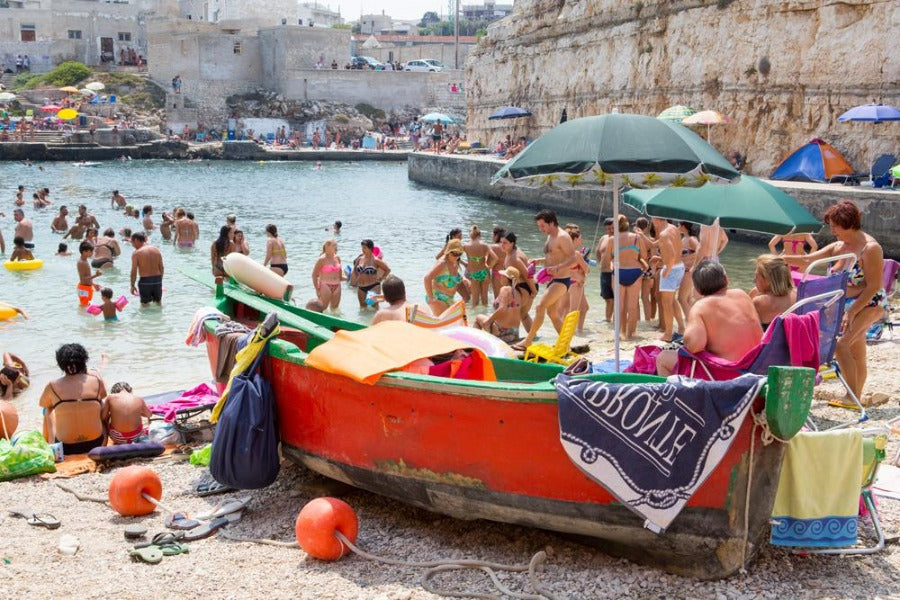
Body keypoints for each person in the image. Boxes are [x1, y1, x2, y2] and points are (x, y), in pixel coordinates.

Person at [783, 200, 886, 404]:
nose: (832, 231)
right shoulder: (838, 247)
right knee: (857, 353)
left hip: (869, 304)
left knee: (840, 345)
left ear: (847, 223)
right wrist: (778, 259)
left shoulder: (870, 248)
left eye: (834, 226)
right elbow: (807, 260)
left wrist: (853, 311)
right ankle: (854, 395)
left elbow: (873, 286)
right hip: (845, 304)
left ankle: (853, 398)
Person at [656, 261, 762, 377]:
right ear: (726, 279)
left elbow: (694, 346)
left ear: (697, 289)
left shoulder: (701, 306)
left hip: (730, 372)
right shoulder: (742, 295)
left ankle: (671, 394)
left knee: (663, 358)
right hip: (756, 366)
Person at [514, 210, 578, 351]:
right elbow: (554, 257)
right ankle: (566, 345)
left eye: (542, 226)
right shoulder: (550, 236)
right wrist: (539, 260)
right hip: (553, 280)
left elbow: (573, 258)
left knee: (540, 307)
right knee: (552, 314)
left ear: (551, 223)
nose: (541, 229)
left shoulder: (563, 237)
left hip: (562, 280)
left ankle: (528, 341)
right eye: (539, 226)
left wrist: (558, 267)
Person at [39, 343, 108, 454]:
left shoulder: (52, 385)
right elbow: (103, 395)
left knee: (48, 410)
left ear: (60, 363)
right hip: (96, 442)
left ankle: (52, 445)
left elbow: (43, 403)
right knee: (100, 403)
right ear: (84, 361)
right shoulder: (96, 381)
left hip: (66, 447)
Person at [603, 215, 647, 340]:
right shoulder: (636, 237)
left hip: (618, 272)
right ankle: (630, 334)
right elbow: (643, 255)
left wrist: (616, 257)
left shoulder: (612, 239)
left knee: (619, 306)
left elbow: (606, 259)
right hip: (634, 271)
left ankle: (620, 334)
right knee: (632, 307)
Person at [651, 217, 684, 342]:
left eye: (653, 220)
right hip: (679, 267)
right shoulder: (673, 228)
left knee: (666, 304)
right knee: (672, 301)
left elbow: (671, 253)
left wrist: (666, 269)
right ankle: (681, 327)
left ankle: (668, 334)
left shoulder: (664, 233)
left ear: (656, 219)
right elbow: (676, 248)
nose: (652, 223)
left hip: (672, 269)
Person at [474, 267, 524, 344]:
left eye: (503, 276)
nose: (500, 277)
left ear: (508, 279)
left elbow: (502, 309)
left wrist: (488, 321)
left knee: (478, 318)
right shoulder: (519, 293)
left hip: (501, 332)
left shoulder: (505, 289)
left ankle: (474, 345)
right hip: (514, 332)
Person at [749, 255, 796, 330]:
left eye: (757, 276)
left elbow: (746, 325)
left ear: (768, 280)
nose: (754, 280)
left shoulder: (759, 302)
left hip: (765, 340)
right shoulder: (798, 295)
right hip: (788, 340)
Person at [562, 225, 591, 334]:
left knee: (584, 308)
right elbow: (587, 270)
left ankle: (578, 331)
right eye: (579, 238)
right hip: (575, 284)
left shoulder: (563, 252)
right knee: (573, 311)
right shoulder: (577, 254)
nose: (581, 240)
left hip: (568, 283)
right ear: (574, 239)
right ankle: (569, 333)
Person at [424, 238, 466, 315]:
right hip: (438, 298)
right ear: (448, 251)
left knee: (453, 322)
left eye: (459, 254)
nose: (456, 256)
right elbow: (427, 278)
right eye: (454, 254)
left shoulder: (455, 262)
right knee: (443, 324)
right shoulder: (442, 263)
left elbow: (453, 277)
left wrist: (463, 279)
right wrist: (431, 298)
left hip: (449, 298)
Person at [463, 225, 496, 307]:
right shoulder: (485, 245)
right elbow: (495, 258)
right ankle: (485, 316)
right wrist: (489, 267)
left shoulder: (466, 246)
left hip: (474, 274)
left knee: (475, 301)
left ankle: (473, 318)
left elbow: (456, 256)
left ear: (470, 235)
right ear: (479, 235)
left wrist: (464, 264)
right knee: (485, 300)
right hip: (484, 272)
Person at [351, 239, 390, 309]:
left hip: (373, 286)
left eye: (365, 248)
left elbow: (387, 269)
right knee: (362, 308)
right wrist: (356, 279)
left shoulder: (375, 260)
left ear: (370, 248)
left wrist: (382, 279)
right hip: (361, 287)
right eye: (362, 247)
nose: (363, 250)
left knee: (374, 306)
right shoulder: (360, 259)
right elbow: (354, 269)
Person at [130, 232, 164, 306]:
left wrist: (132, 285)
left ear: (136, 240)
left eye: (132, 242)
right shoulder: (156, 250)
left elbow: (134, 271)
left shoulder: (136, 253)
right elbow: (161, 267)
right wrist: (160, 280)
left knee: (145, 305)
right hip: (157, 280)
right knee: (158, 303)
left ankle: (145, 318)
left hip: (145, 281)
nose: (132, 245)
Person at [312, 240, 343, 311]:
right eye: (334, 245)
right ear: (327, 247)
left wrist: (345, 278)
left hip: (337, 285)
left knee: (335, 309)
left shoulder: (337, 257)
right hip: (325, 285)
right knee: (323, 308)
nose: (336, 247)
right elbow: (314, 275)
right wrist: (317, 289)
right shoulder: (321, 259)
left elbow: (340, 273)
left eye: (336, 245)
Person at [595, 218, 615, 322]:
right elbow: (598, 251)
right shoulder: (603, 238)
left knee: (615, 299)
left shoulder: (619, 239)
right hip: (604, 271)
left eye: (612, 228)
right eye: (608, 229)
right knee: (607, 298)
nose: (610, 231)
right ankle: (607, 320)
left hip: (614, 272)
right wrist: (599, 263)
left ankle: (616, 321)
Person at [76, 241, 102, 306]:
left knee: (86, 307)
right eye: (91, 251)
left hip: (86, 288)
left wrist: (93, 284)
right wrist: (96, 275)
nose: (92, 253)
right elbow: (83, 279)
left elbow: (86, 276)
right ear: (84, 252)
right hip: (84, 289)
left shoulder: (84, 260)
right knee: (84, 307)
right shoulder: (82, 263)